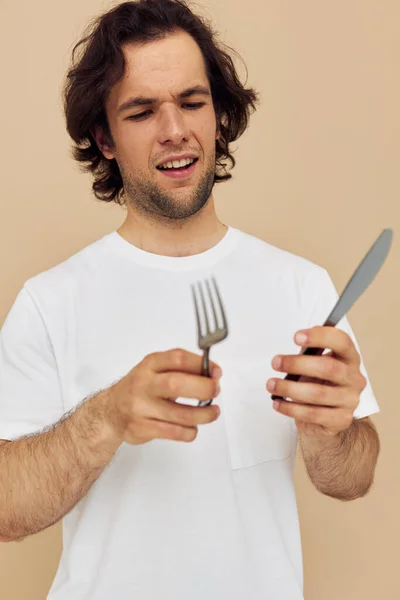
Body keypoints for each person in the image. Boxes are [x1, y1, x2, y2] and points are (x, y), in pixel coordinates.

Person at [0, 1, 380, 599]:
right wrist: (108, 417)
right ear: (104, 138)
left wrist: (330, 432)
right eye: (142, 110)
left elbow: (352, 479)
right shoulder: (51, 302)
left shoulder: (302, 286)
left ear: (219, 117)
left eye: (193, 102)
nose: (174, 129)